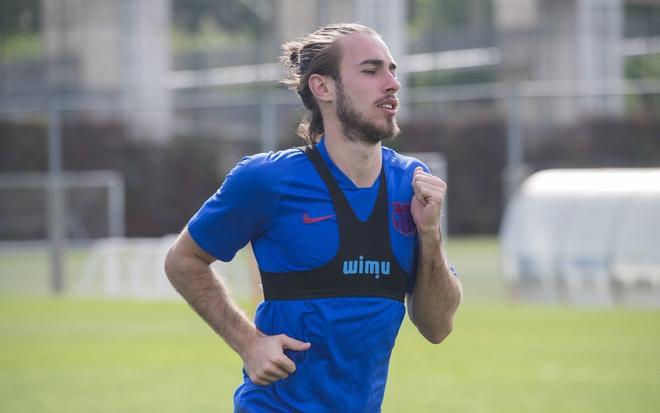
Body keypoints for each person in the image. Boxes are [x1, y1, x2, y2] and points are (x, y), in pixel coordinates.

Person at [164, 22, 462, 413]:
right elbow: (183, 261)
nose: (392, 84)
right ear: (323, 88)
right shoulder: (266, 179)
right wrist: (248, 342)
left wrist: (429, 235)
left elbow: (438, 327)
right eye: (371, 71)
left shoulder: (411, 182)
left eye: (392, 70)